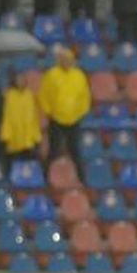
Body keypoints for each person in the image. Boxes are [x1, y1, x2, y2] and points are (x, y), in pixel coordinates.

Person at [38, 46, 91, 179]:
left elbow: (85, 96)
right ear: (59, 60)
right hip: (56, 119)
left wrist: (80, 112)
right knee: (53, 151)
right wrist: (50, 111)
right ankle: (44, 176)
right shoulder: (51, 75)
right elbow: (44, 95)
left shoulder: (79, 76)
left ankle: (82, 178)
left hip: (74, 119)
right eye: (65, 59)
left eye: (69, 59)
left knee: (75, 151)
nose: (67, 62)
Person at [0, 72, 43, 177]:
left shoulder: (29, 95)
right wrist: (6, 135)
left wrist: (36, 136)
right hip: (13, 137)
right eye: (18, 80)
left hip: (28, 138)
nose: (20, 82)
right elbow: (7, 117)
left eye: (22, 80)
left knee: (30, 166)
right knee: (12, 165)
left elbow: (34, 117)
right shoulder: (10, 95)